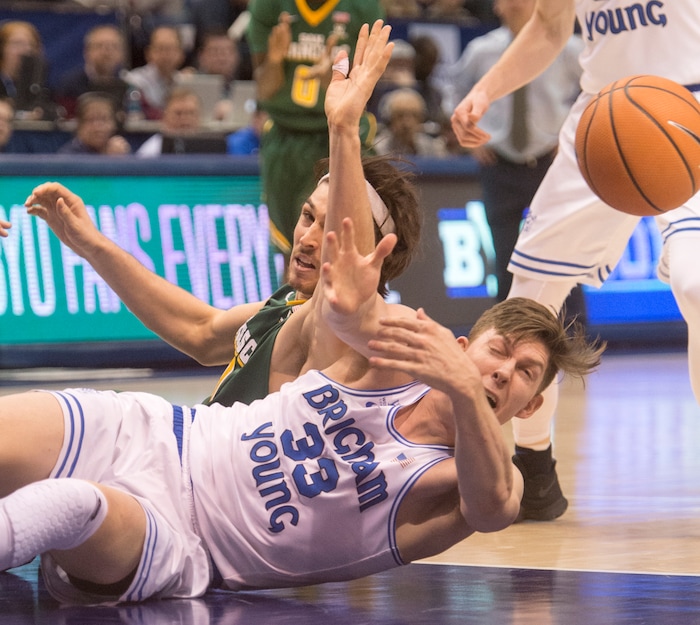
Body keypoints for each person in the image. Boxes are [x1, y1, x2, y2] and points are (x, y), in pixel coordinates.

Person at [23, 22, 421, 411]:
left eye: (330, 228)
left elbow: (346, 290)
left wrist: (343, 129)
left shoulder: (351, 333)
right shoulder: (288, 302)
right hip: (194, 448)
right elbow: (197, 331)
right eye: (306, 216)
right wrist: (90, 244)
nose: (309, 238)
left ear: (374, 251)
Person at [450, 0, 700, 521]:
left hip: (688, 107)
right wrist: (486, 89)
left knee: (696, 285)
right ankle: (535, 467)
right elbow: (547, 27)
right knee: (525, 305)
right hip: (602, 118)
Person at [444, 0, 582, 302]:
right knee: (505, 256)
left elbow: (594, 91)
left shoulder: (570, 47)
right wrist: (472, 139)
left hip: (551, 160)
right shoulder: (482, 50)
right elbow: (452, 90)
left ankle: (573, 338)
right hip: (500, 162)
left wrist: (573, 131)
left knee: (562, 256)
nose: (516, 3)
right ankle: (506, 336)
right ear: (495, 6)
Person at [246, 0, 384, 258]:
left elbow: (366, 91)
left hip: (341, 132)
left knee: (356, 244)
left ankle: (362, 298)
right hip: (287, 135)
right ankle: (295, 300)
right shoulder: (268, 6)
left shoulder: (364, 7)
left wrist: (333, 83)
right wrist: (275, 60)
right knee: (295, 247)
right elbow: (264, 89)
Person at [54, 24, 130, 120]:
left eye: (114, 46)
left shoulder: (128, 83)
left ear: (122, 54)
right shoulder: (70, 84)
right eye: (100, 46)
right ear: (87, 51)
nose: (107, 52)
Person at [124, 25, 187, 120]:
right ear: (149, 53)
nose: (166, 54)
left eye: (171, 48)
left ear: (181, 54)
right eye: (161, 48)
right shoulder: (133, 80)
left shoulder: (186, 82)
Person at [0, 21, 54, 120]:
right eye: (17, 44)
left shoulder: (37, 83)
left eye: (31, 45)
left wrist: (41, 114)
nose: (25, 50)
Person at [374, 87, 449, 158]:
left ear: (421, 119)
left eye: (414, 116)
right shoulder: (377, 150)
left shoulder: (431, 149)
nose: (407, 123)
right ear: (389, 120)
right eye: (400, 116)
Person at [135, 86, 203, 156]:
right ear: (164, 117)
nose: (185, 119)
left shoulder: (207, 151)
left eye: (190, 113)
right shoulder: (151, 151)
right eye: (178, 113)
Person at [57, 92, 131, 156]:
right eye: (91, 120)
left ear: (114, 125)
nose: (98, 127)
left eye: (104, 119)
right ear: (79, 125)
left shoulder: (120, 152)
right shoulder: (68, 157)